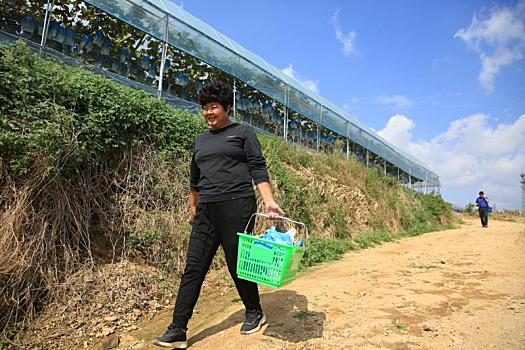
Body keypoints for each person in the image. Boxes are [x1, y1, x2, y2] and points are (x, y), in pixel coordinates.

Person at [154, 79, 285, 349]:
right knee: (194, 267)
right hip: (206, 209)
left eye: (213, 107)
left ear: (227, 108)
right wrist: (194, 205)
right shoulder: (200, 140)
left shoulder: (243, 133)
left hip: (237, 205)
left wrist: (268, 201)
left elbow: (257, 168)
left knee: (238, 262)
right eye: (204, 108)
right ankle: (178, 328)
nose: (208, 113)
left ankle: (254, 311)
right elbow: (194, 177)